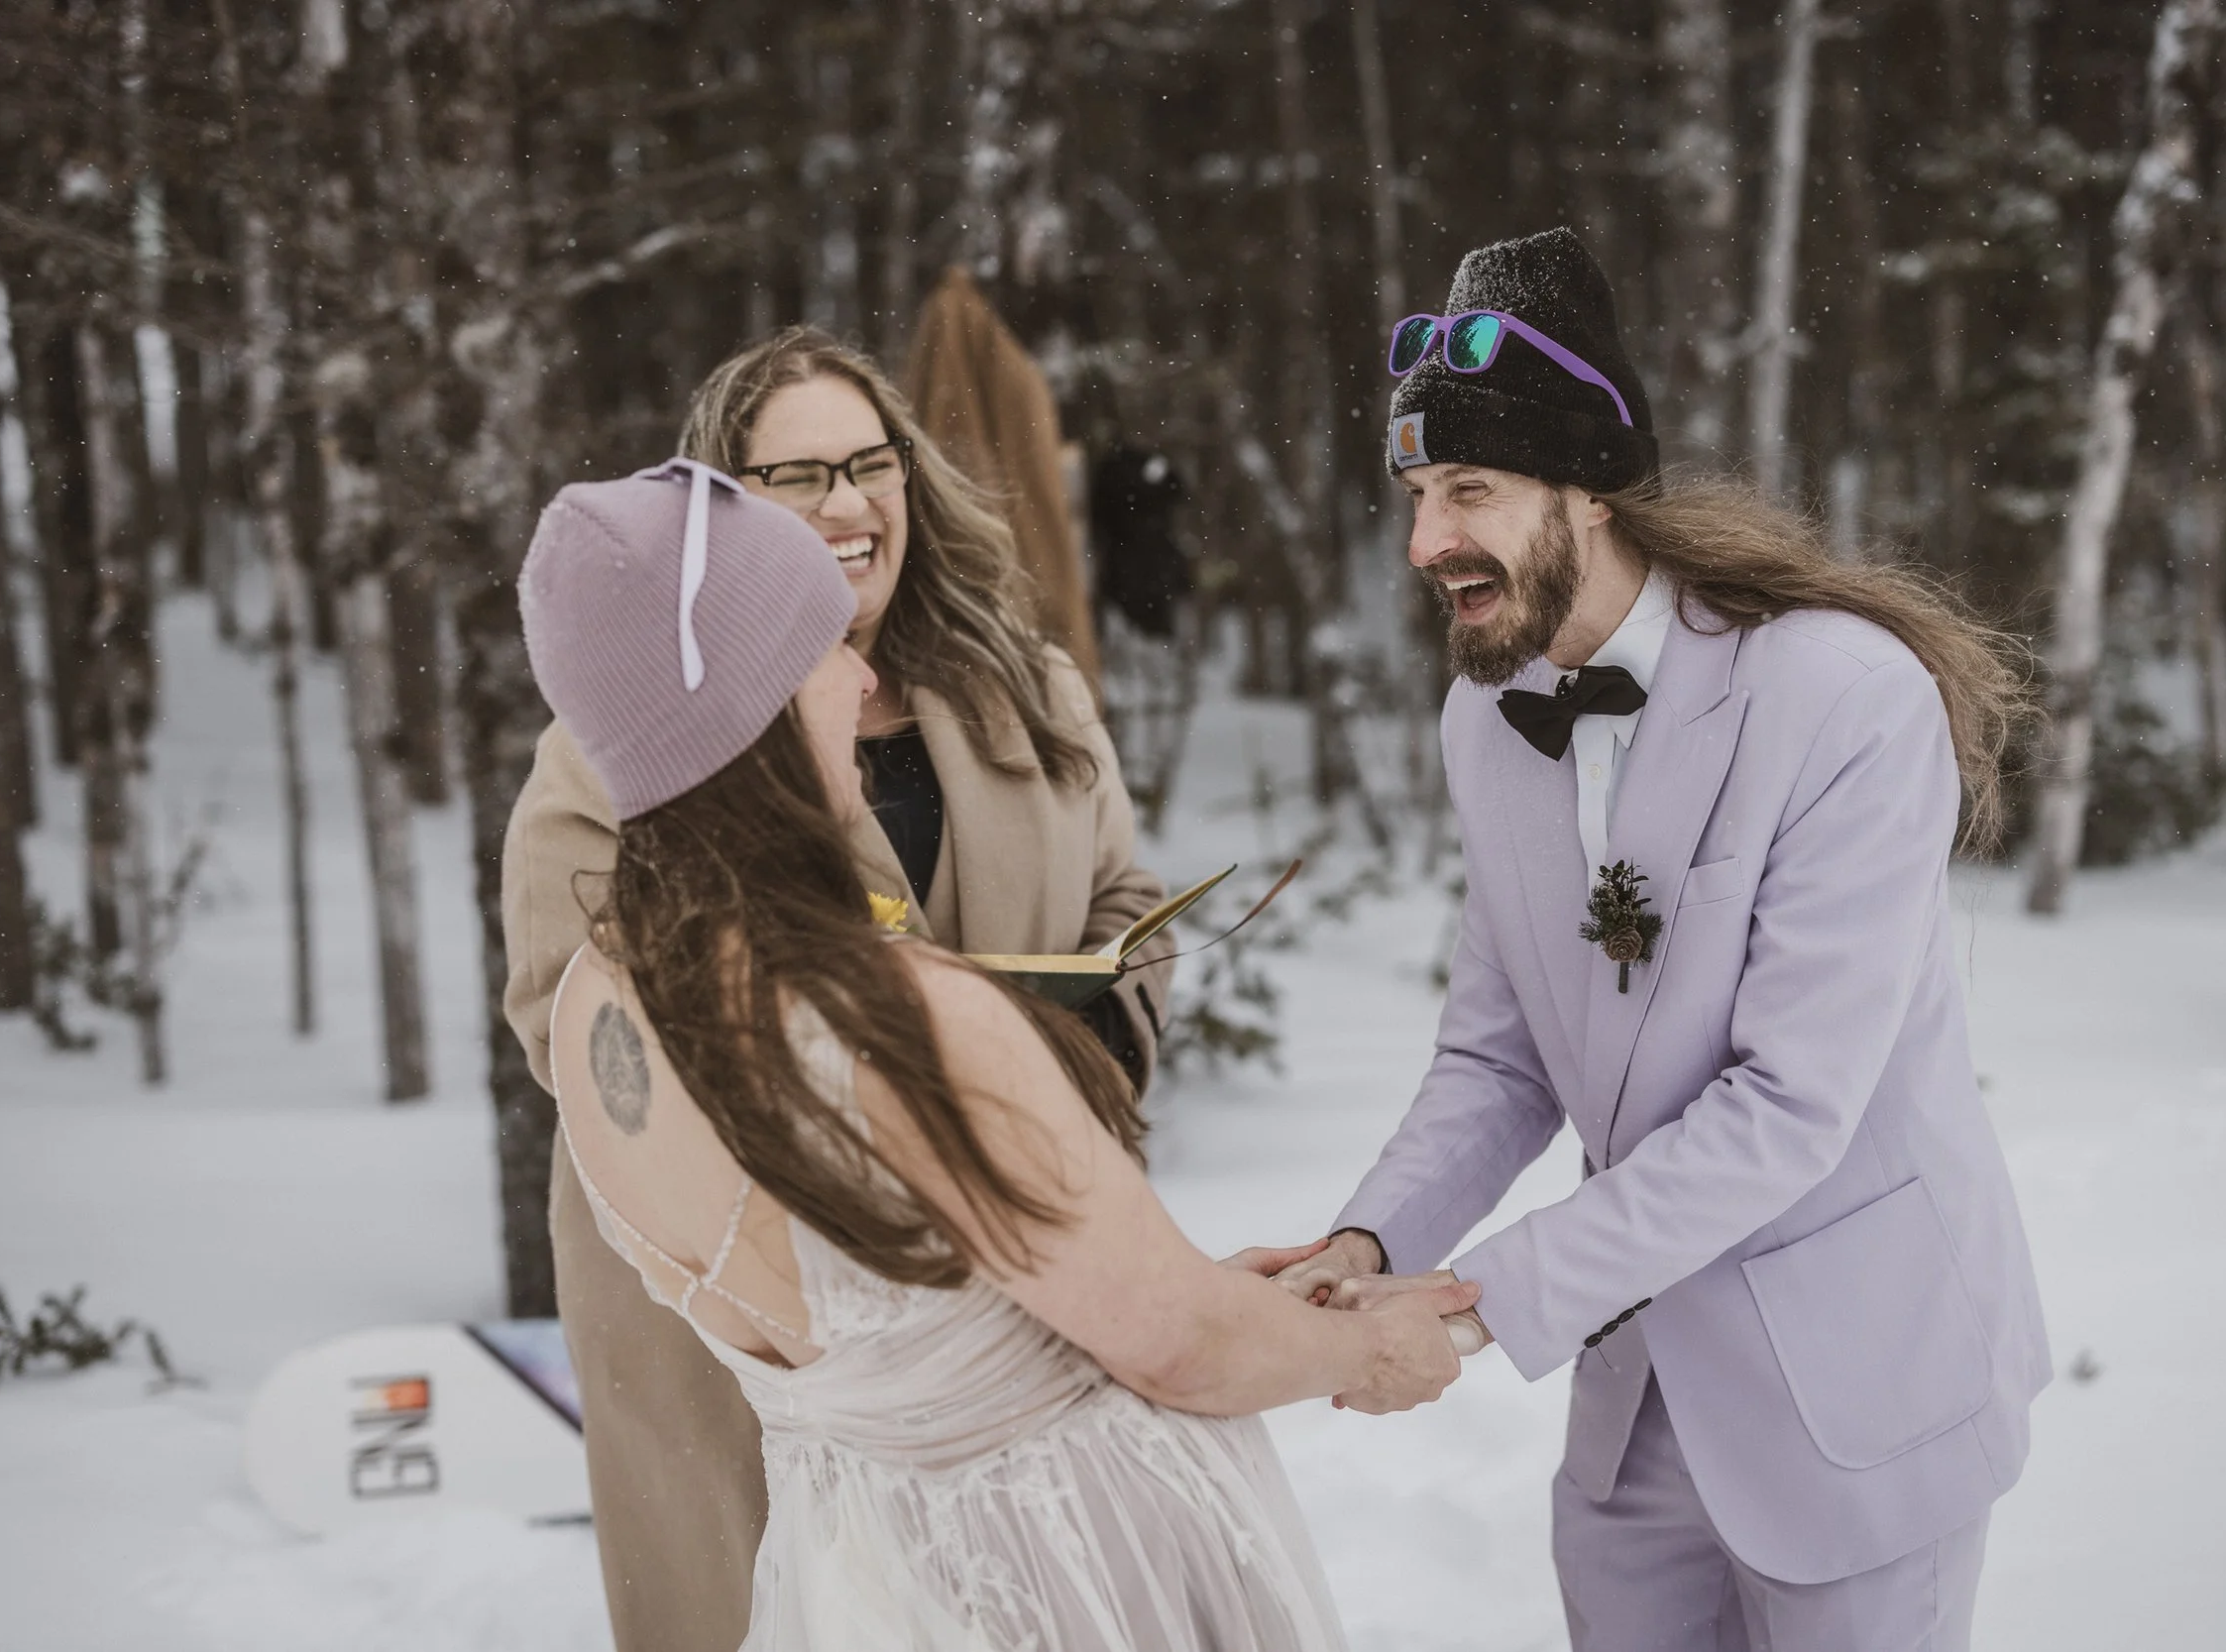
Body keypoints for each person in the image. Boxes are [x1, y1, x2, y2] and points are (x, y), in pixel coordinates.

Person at [515, 462, 1478, 1648]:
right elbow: (1181, 1346)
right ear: (748, 711)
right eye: (825, 649)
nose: (863, 677)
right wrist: (1367, 1345)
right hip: (1064, 1581)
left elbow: (908, 1330)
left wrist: (1160, 1281)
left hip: (868, 1585)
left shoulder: (598, 1004)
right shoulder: (898, 1018)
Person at [1260, 227, 2053, 1651]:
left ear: (1590, 489)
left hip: (1855, 1398)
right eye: (1420, 495)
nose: (1428, 542)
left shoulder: (1843, 697)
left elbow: (1787, 1104)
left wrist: (1474, 1305)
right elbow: (1500, 1058)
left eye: (1473, 489)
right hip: (1634, 1417)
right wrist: (1369, 1241)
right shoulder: (1482, 720)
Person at [500, 328, 1169, 1652]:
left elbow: (1124, 896)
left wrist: (1092, 1033)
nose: (851, 503)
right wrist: (842, 1079)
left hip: (1016, 1267)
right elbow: (565, 1019)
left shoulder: (1027, 686)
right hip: (753, 1312)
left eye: (872, 462)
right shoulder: (612, 748)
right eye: (798, 475)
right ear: (723, 512)